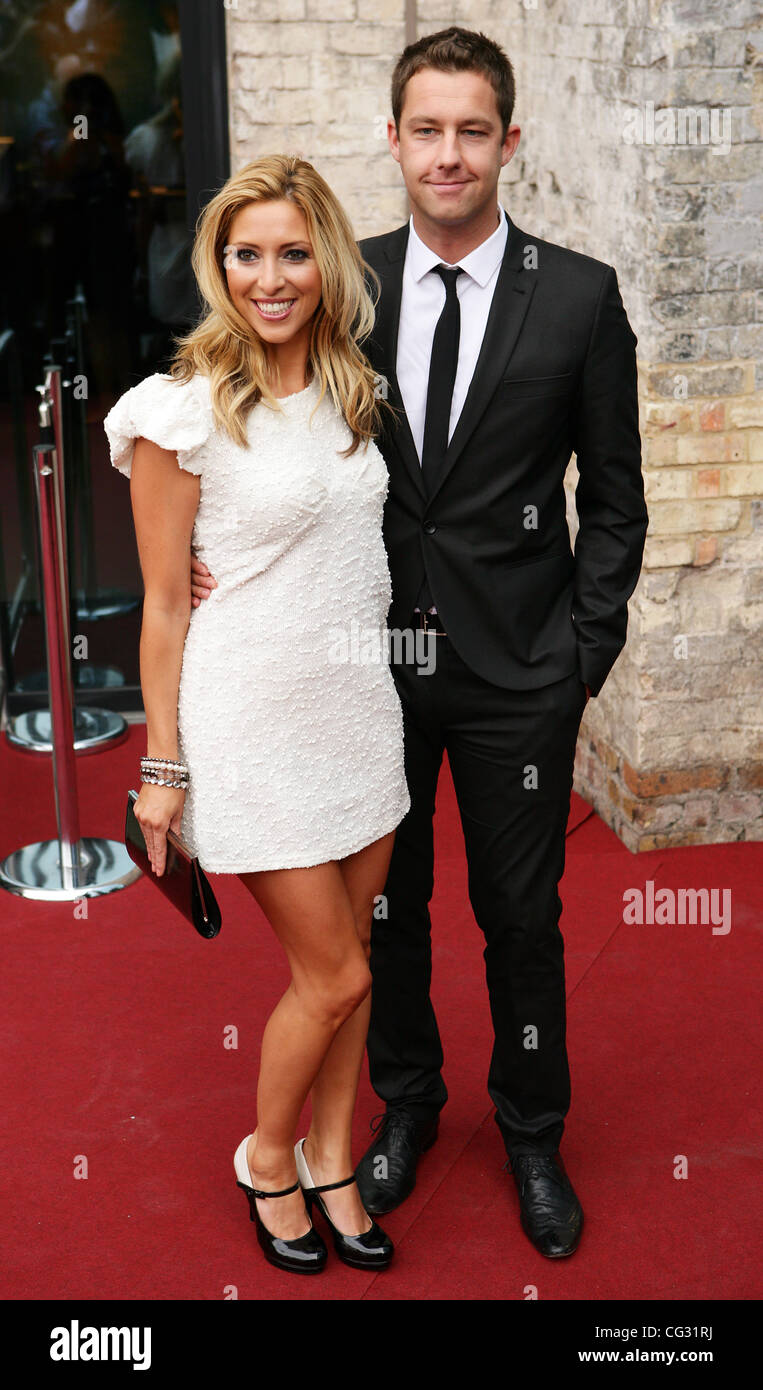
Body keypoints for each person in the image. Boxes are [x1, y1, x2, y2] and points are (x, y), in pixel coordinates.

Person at [191, 27, 649, 1259]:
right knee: (386, 920)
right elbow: (257, 421)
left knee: (523, 916)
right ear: (392, 139)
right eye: (426, 129)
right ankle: (403, 1106)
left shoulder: (582, 295)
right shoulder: (348, 285)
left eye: (472, 130)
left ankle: (533, 1133)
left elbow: (614, 504)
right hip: (369, 674)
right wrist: (206, 546)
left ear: (509, 139)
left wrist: (574, 663)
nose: (448, 154)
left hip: (520, 679)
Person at [104, 154, 410, 1275]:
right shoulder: (178, 411)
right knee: (333, 975)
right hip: (251, 718)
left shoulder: (351, 389)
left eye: (290, 253)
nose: (268, 279)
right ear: (217, 264)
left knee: (353, 968)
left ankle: (335, 1156)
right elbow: (164, 606)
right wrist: (164, 767)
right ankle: (267, 1155)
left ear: (323, 258)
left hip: (356, 712)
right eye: (245, 255)